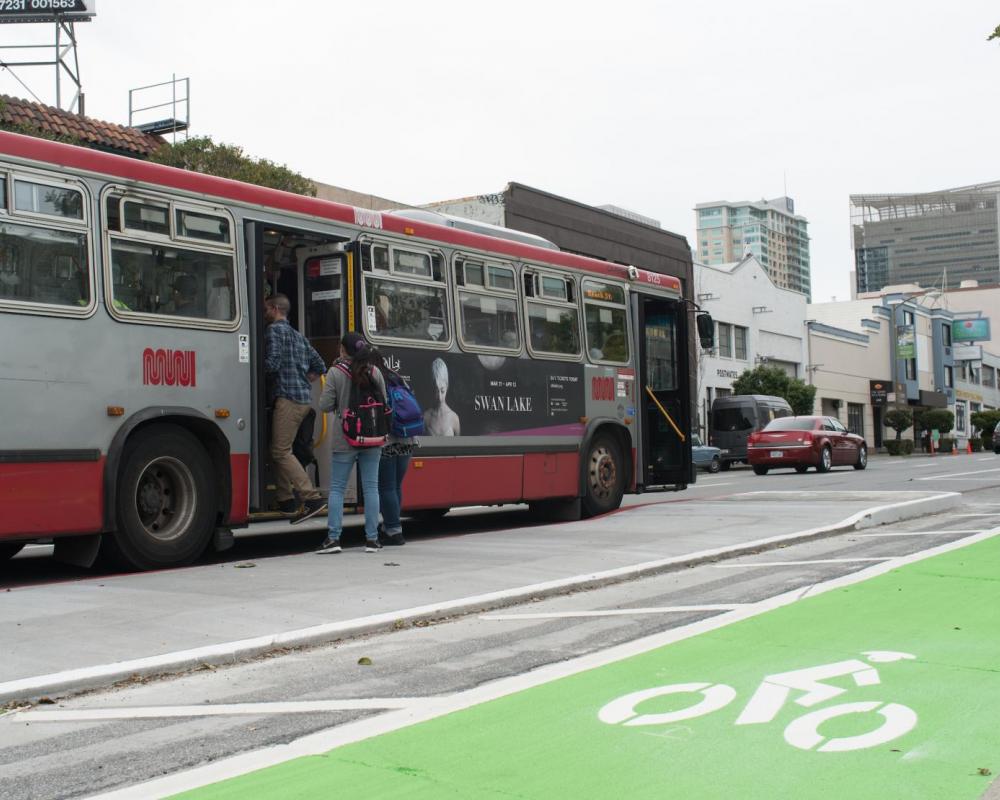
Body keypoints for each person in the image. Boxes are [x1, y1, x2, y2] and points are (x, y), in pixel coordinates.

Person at [316, 331, 388, 554]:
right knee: (371, 488)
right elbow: (383, 401)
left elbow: (325, 405)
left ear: (343, 349)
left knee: (337, 488)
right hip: (373, 437)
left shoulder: (336, 373)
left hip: (345, 438)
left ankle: (334, 538)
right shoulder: (374, 371)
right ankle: (372, 539)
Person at [264, 293, 328, 520]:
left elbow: (272, 364)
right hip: (303, 399)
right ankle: (286, 501)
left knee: (280, 451)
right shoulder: (298, 335)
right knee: (280, 448)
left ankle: (311, 497)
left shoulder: (273, 331)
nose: (265, 314)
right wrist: (304, 378)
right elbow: (320, 365)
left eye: (266, 309)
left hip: (287, 399)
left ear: (274, 309)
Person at [378, 360, 418, 547]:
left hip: (388, 441)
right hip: (407, 438)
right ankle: (391, 527)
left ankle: (393, 530)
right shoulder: (397, 377)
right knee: (396, 486)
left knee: (386, 487)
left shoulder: (375, 378)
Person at [422, 357, 461, 436]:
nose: (440, 397)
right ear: (431, 389)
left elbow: (459, 447)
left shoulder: (454, 418)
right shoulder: (425, 418)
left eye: (442, 391)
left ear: (447, 386)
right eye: (436, 391)